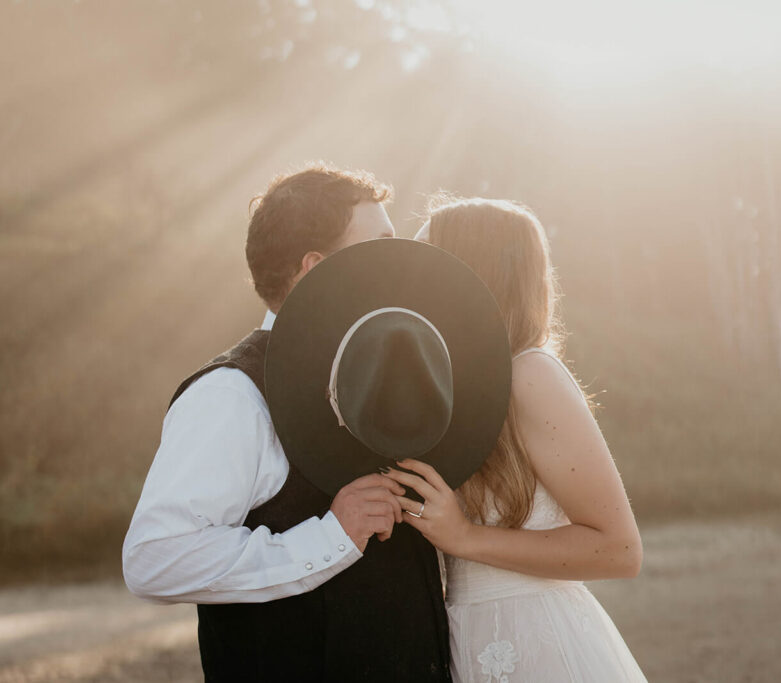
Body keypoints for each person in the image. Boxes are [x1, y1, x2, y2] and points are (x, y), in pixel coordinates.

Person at [122, 164, 453, 682]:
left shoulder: (398, 377)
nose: (402, 264)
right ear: (315, 268)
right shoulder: (231, 394)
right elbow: (155, 559)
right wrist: (331, 537)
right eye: (380, 247)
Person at [383, 197, 647, 682]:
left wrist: (465, 536)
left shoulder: (531, 375)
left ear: (468, 272)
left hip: (537, 645)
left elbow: (619, 550)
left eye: (425, 263)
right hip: (463, 636)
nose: (407, 280)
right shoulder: (450, 389)